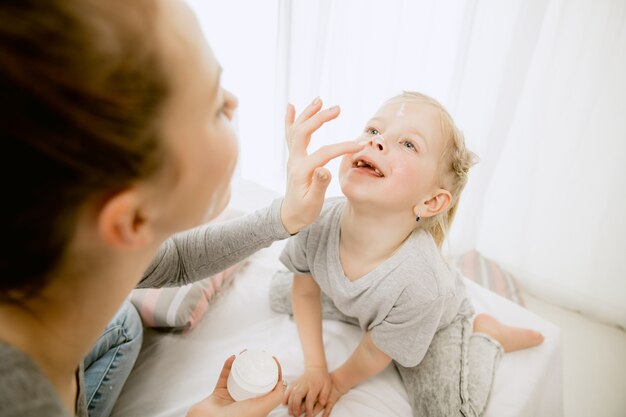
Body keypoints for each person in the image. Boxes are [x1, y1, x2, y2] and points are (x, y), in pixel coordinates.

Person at [0, 0, 364, 416]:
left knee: (124, 324)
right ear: (133, 218)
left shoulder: (68, 254)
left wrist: (286, 216)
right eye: (213, 106)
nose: (233, 103)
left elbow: (174, 259)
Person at [269, 91, 545, 417]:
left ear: (430, 202)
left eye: (409, 144)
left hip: (432, 322)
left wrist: (335, 382)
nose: (377, 142)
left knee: (450, 412)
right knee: (279, 291)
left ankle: (488, 335)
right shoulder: (315, 219)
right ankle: (382, 318)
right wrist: (315, 366)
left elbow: (376, 350)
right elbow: (304, 290)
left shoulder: (423, 283)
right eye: (373, 130)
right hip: (368, 304)